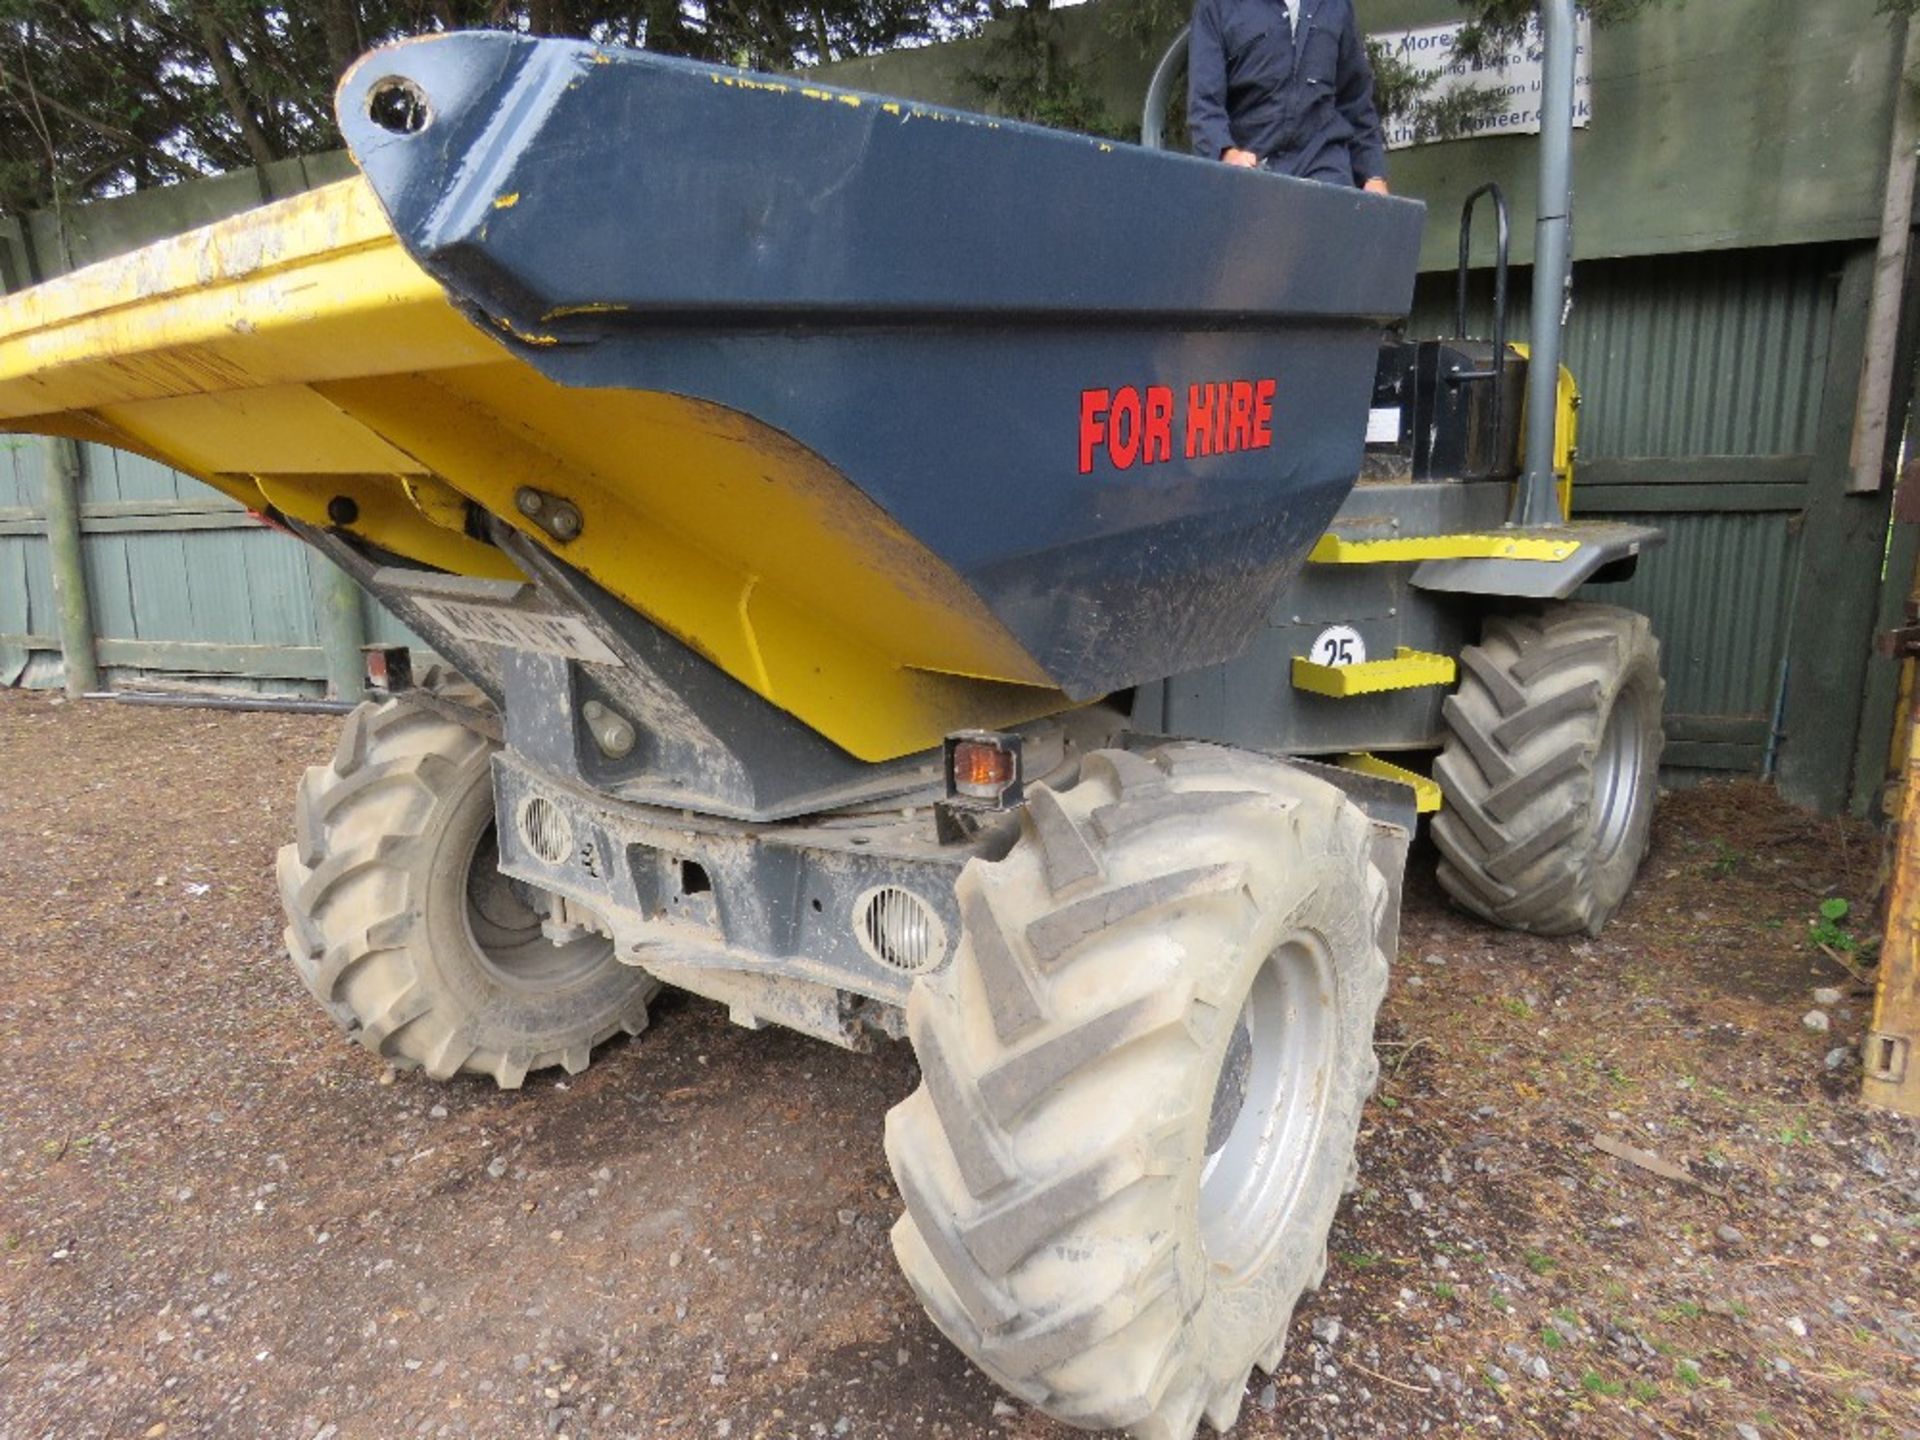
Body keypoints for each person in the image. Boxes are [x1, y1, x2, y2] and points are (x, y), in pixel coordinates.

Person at [1188, 0, 1390, 193]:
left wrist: (1373, 176)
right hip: (1250, 172)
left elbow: (1355, 101)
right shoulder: (1216, 6)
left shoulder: (1335, 5)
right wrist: (1226, 154)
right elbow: (1205, 105)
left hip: (1325, 172)